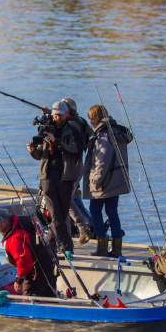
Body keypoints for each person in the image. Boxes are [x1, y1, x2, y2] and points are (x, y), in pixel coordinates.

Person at [27, 100, 78, 254]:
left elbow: (74, 151)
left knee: (62, 215)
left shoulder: (71, 130)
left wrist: (56, 141)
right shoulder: (45, 129)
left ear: (66, 114)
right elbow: (40, 155)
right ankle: (68, 248)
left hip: (65, 177)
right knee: (55, 214)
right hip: (47, 177)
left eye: (60, 115)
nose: (57, 117)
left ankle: (48, 246)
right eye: (55, 115)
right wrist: (32, 151)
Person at [82, 104, 132, 257]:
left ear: (97, 118)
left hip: (104, 182)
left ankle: (102, 248)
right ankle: (116, 249)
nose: (90, 121)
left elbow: (102, 162)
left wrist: (95, 181)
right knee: (112, 212)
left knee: (95, 211)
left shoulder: (104, 135)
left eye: (91, 118)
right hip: (115, 181)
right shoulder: (116, 132)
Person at [0, 208, 57, 297]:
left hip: (38, 271)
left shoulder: (14, 238)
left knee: (30, 299)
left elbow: (24, 261)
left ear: (3, 221)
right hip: (51, 262)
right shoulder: (22, 220)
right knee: (50, 296)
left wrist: (18, 281)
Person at [62, 97, 94, 245]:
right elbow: (90, 134)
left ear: (67, 111)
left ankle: (82, 228)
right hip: (79, 165)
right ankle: (69, 234)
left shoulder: (69, 124)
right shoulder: (81, 121)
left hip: (71, 166)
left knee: (66, 200)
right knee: (67, 200)